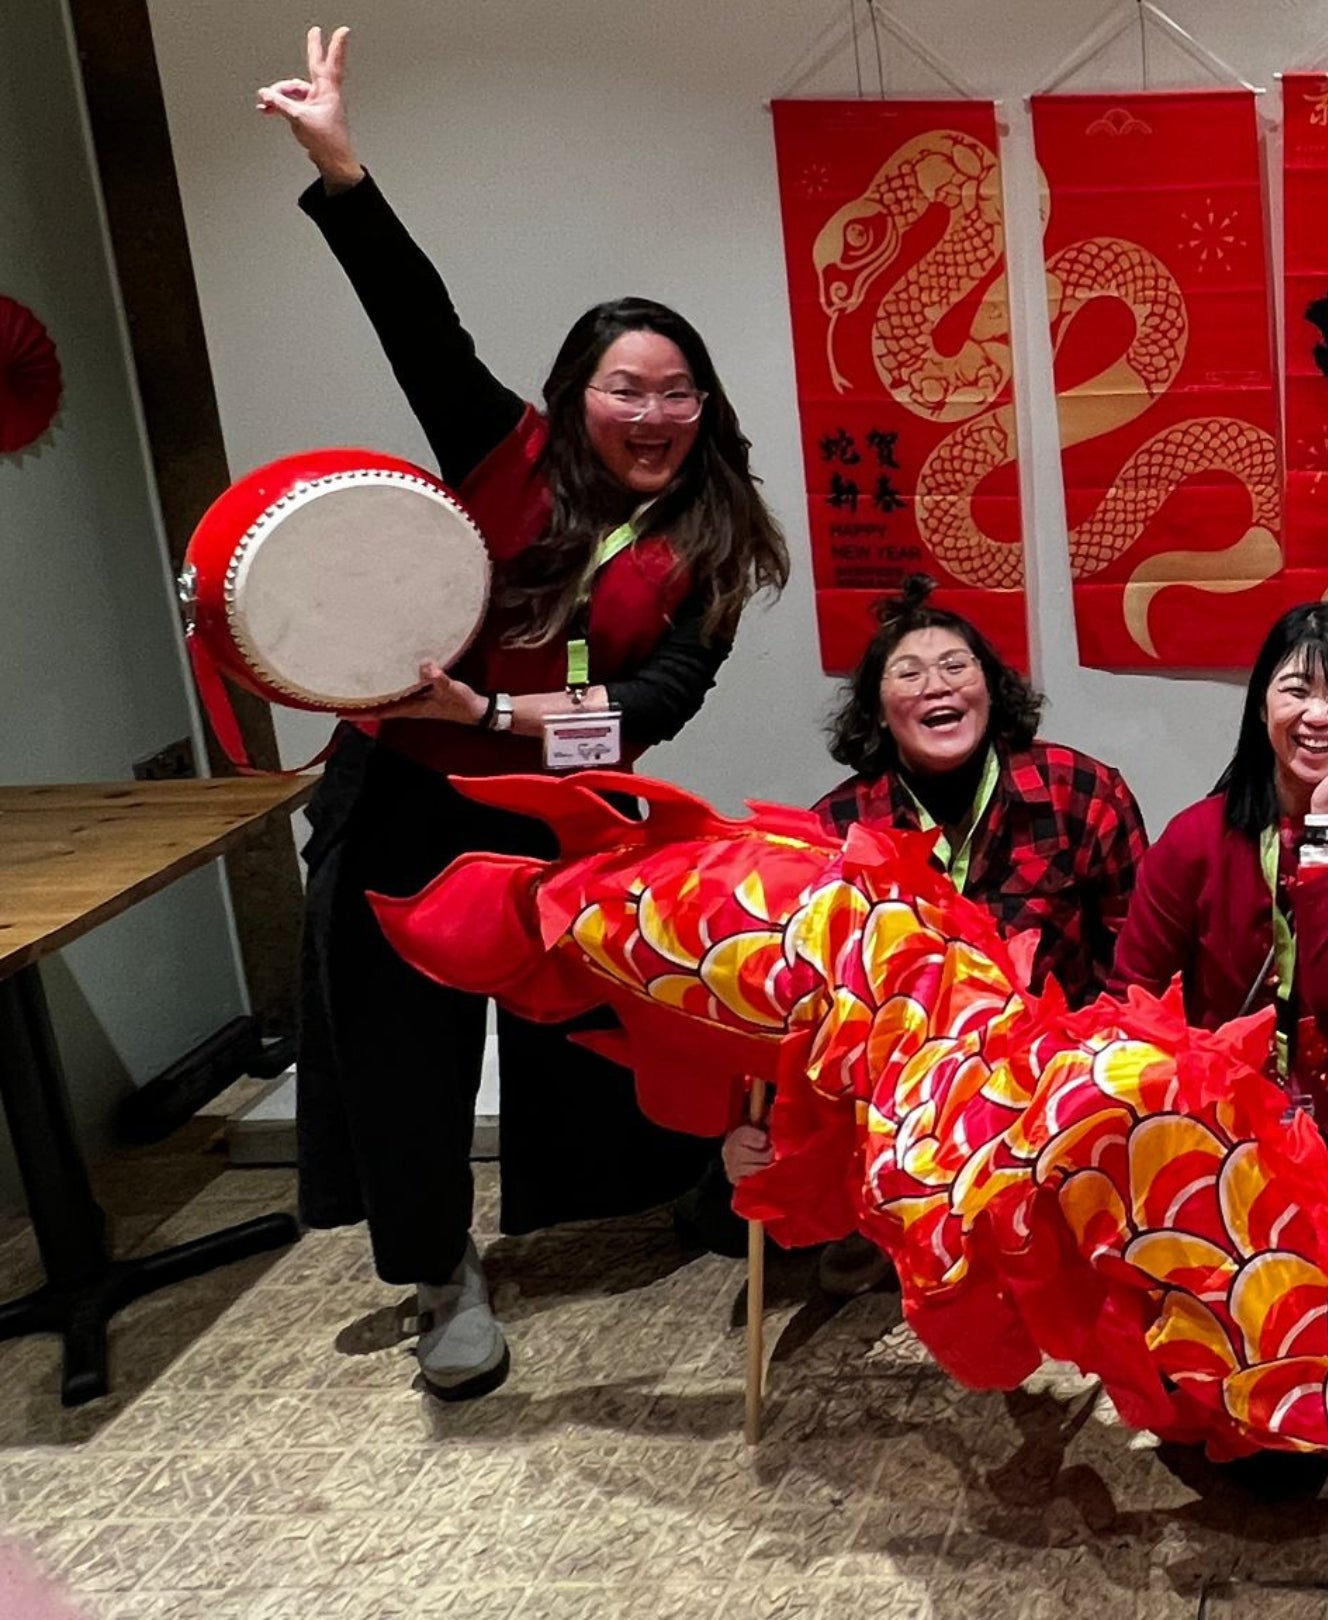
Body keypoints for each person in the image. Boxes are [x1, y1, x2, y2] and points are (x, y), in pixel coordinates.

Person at [262, 27, 791, 1399]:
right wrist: (342, 171)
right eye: (629, 385)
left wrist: (498, 721)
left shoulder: (714, 540)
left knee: (597, 1019)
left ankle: (658, 1200)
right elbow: (413, 314)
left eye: (679, 390)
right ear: (578, 396)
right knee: (402, 1042)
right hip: (398, 799)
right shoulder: (504, 453)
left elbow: (654, 707)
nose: (655, 410)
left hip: (560, 810)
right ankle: (440, 1275)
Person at [716, 579, 1147, 1290]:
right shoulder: (838, 831)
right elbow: (794, 1004)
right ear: (879, 712)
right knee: (725, 1204)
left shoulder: (1081, 792)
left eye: (956, 666)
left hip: (1048, 1074)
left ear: (990, 689)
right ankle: (889, 1212)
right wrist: (751, 1125)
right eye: (907, 673)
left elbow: (1133, 963)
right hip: (904, 1089)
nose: (935, 685)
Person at [1111, 603, 1328, 1166]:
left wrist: (1327, 823)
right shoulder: (1195, 838)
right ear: (1262, 705)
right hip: (1215, 1135)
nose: (1317, 714)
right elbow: (1133, 999)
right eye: (1297, 690)